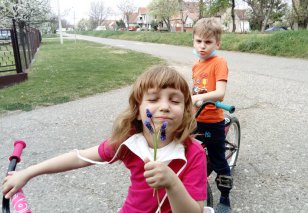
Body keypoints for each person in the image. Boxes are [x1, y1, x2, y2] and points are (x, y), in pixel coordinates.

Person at [2, 66, 207, 213]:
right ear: (137, 112)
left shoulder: (193, 153)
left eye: (174, 100)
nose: (164, 106)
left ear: (185, 111)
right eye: (153, 99)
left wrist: (172, 183)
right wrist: (28, 172)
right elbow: (80, 157)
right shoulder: (128, 143)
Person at [191, 17, 233, 213]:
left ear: (217, 43)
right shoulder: (196, 65)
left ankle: (225, 198)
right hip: (195, 118)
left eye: (208, 42)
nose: (202, 46)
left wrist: (198, 99)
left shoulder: (219, 62)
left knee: (218, 160)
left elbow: (219, 92)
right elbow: (195, 90)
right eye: (199, 41)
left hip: (212, 120)